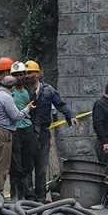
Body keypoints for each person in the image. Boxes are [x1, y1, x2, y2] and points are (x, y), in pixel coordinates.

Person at [24, 60, 76, 202]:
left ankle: (40, 197)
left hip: (43, 133)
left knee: (41, 168)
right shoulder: (22, 91)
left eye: (32, 72)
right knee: (27, 166)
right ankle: (28, 197)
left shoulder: (48, 90)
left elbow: (60, 104)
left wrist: (70, 116)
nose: (29, 75)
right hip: (27, 133)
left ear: (39, 73)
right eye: (27, 73)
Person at [0, 75, 34, 193]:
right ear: (12, 87)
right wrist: (27, 108)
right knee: (2, 165)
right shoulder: (6, 97)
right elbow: (16, 116)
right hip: (3, 132)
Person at [9, 62, 37, 200]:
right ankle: (16, 194)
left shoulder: (29, 91)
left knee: (28, 162)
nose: (19, 77)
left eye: (21, 74)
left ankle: (28, 194)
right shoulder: (9, 92)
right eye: (16, 75)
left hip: (27, 129)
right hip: (14, 130)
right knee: (15, 164)